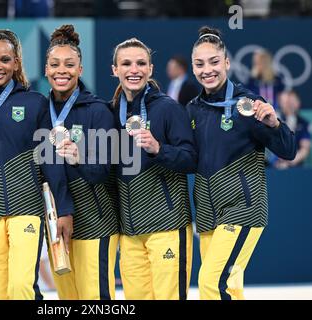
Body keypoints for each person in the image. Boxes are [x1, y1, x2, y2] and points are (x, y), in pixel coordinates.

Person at [0, 29, 74, 300]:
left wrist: (64, 209)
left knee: (20, 288)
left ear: (16, 63)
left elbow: (50, 160)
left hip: (26, 209)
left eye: (5, 60)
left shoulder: (34, 103)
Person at [187, 26, 296, 300]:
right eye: (200, 64)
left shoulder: (247, 104)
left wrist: (274, 123)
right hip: (209, 216)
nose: (207, 70)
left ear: (227, 63)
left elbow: (288, 150)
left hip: (242, 209)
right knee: (230, 288)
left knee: (211, 283)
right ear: (193, 67)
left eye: (214, 62)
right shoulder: (192, 109)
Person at [110, 38, 197, 300]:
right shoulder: (111, 112)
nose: (133, 69)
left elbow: (191, 159)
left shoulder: (169, 108)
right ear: (115, 70)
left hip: (167, 226)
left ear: (150, 69)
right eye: (126, 63)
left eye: (140, 63)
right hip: (130, 233)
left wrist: (160, 149)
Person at [45, 24, 119, 300]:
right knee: (68, 299)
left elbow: (102, 171)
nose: (61, 71)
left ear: (80, 70)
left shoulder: (98, 111)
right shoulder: (42, 111)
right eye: (55, 64)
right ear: (46, 70)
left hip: (95, 220)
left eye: (69, 64)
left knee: (96, 299)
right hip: (56, 222)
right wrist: (60, 211)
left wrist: (79, 157)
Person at [273, 90, 310, 168]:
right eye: (287, 102)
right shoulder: (274, 120)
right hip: (274, 165)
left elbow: (305, 149)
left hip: (295, 166)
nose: (290, 105)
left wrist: (290, 162)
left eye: (293, 102)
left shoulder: (303, 123)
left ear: (298, 103)